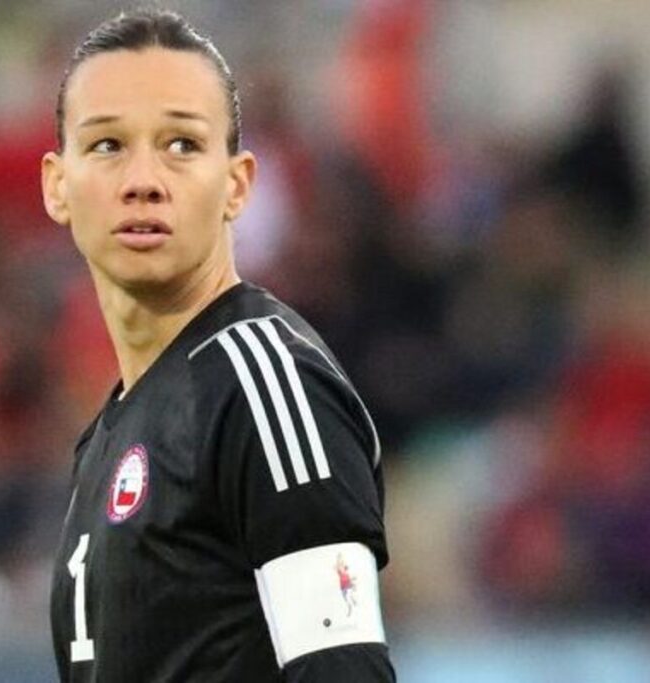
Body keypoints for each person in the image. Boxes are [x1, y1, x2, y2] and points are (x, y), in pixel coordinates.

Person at [41, 9, 395, 682]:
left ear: (237, 184)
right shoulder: (105, 439)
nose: (143, 180)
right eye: (108, 145)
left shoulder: (264, 382)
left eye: (180, 144)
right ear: (58, 186)